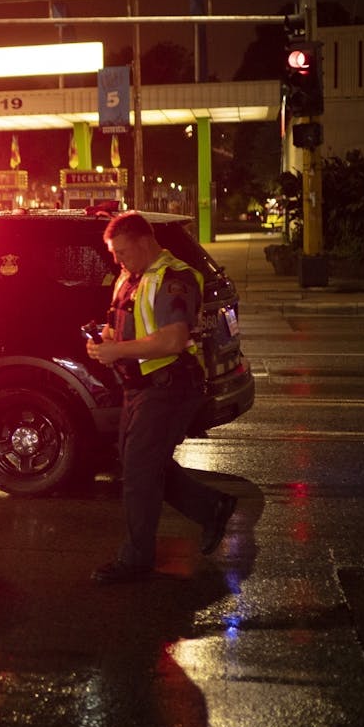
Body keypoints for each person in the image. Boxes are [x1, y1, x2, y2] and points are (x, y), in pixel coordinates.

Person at [85, 211, 237, 584]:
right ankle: (212, 507)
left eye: (122, 252)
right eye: (115, 254)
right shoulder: (130, 277)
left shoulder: (175, 278)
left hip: (170, 385)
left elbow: (172, 339)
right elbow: (124, 323)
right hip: (139, 387)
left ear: (143, 241)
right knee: (140, 464)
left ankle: (137, 559)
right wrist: (105, 339)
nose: (118, 260)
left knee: (139, 472)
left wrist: (117, 352)